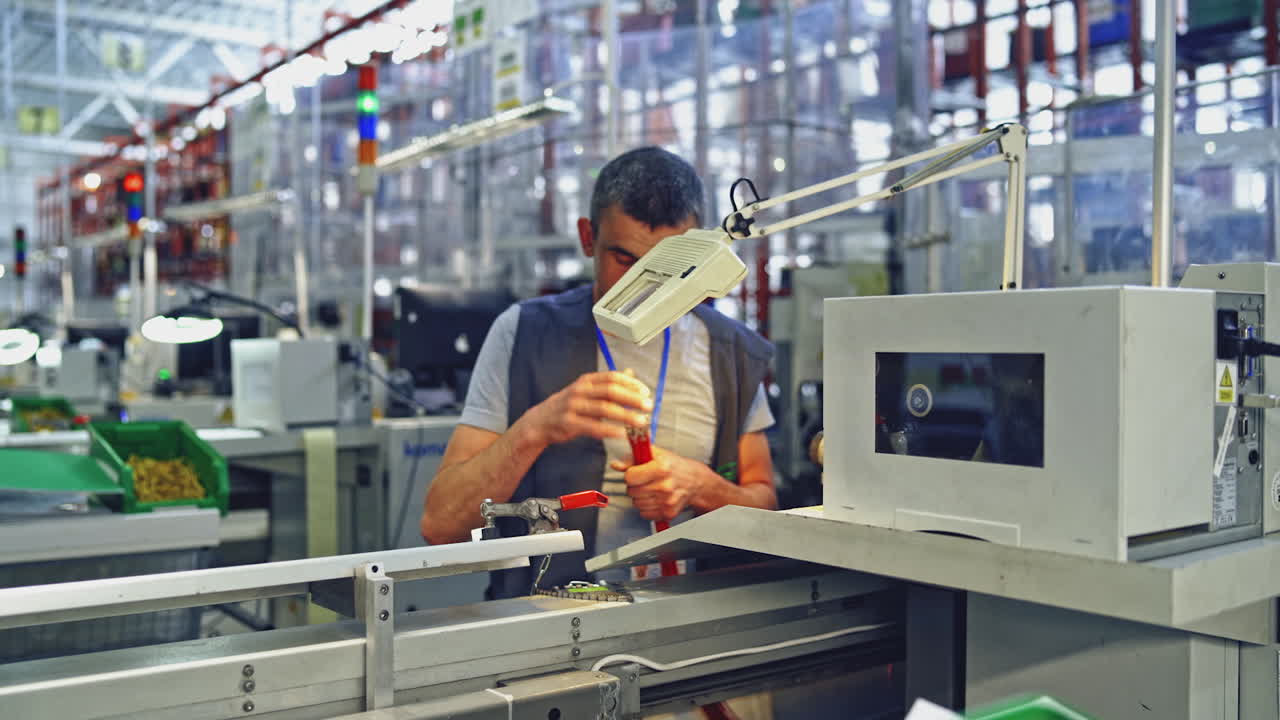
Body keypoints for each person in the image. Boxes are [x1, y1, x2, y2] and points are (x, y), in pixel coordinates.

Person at [421, 146, 777, 598]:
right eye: (626, 261)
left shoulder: (732, 353)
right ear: (588, 237)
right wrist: (535, 430)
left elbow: (766, 508)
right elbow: (441, 524)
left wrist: (702, 488)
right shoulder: (524, 334)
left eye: (672, 266)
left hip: (690, 613)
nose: (648, 286)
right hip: (549, 617)